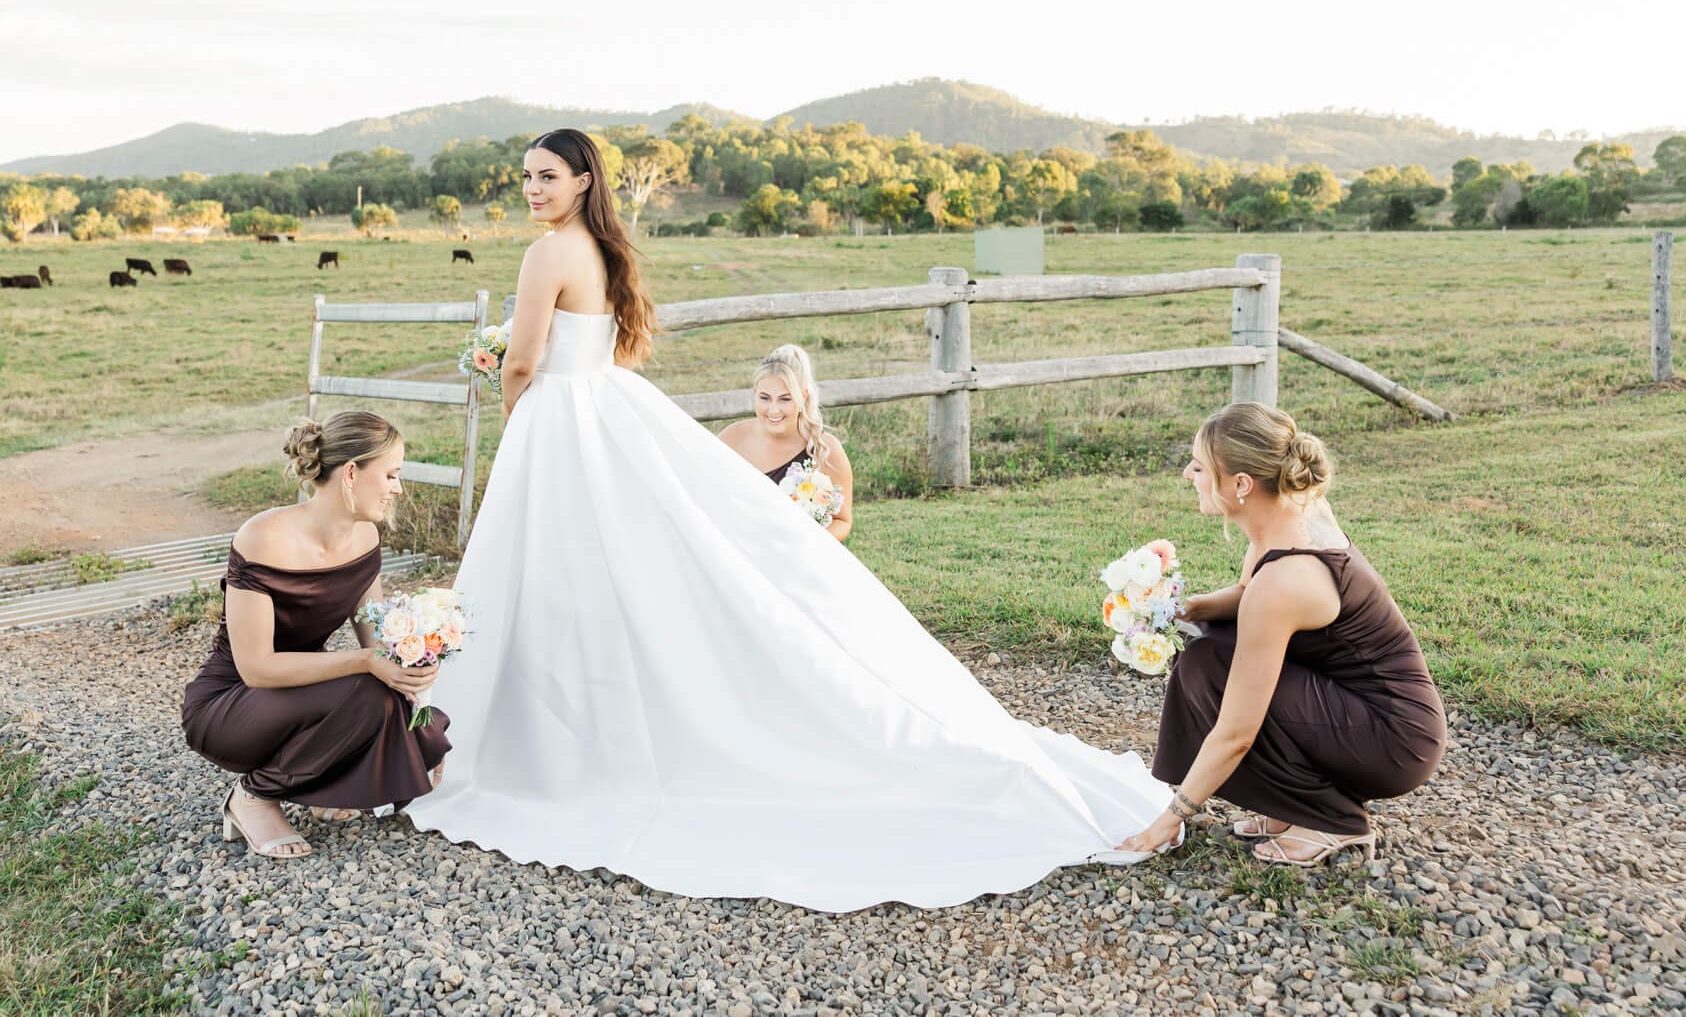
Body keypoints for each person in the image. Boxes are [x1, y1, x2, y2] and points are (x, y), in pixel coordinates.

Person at [402, 128, 1169, 912]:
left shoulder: (546, 254)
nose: (532, 189)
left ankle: (546, 745)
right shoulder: (599, 248)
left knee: (557, 575)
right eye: (525, 177)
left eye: (546, 176)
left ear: (581, 179)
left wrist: (511, 418)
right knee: (606, 571)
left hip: (561, 421)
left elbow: (526, 360)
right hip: (604, 408)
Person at [1116, 404, 1446, 866]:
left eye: (1200, 465)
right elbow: (1246, 593)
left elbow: (1236, 733)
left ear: (1241, 484)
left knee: (1209, 669)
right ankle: (1293, 805)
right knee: (1206, 651)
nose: (1189, 473)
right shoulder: (1289, 513)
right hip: (1364, 709)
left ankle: (1332, 818)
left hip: (1394, 737)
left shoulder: (1286, 580)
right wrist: (1176, 609)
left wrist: (1169, 819)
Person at [182, 411, 452, 860]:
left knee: (387, 697)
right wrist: (369, 665)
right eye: (390, 475)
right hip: (232, 704)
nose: (397, 488)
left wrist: (412, 670)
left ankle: (320, 785)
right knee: (368, 684)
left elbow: (375, 644)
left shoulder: (365, 538)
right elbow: (257, 668)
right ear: (351, 473)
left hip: (304, 694)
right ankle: (252, 796)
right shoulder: (263, 537)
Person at [717, 343, 854, 542]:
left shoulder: (825, 450)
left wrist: (806, 544)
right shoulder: (733, 437)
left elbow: (842, 521)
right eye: (765, 398)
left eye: (785, 399)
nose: (773, 410)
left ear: (803, 397)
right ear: (755, 393)